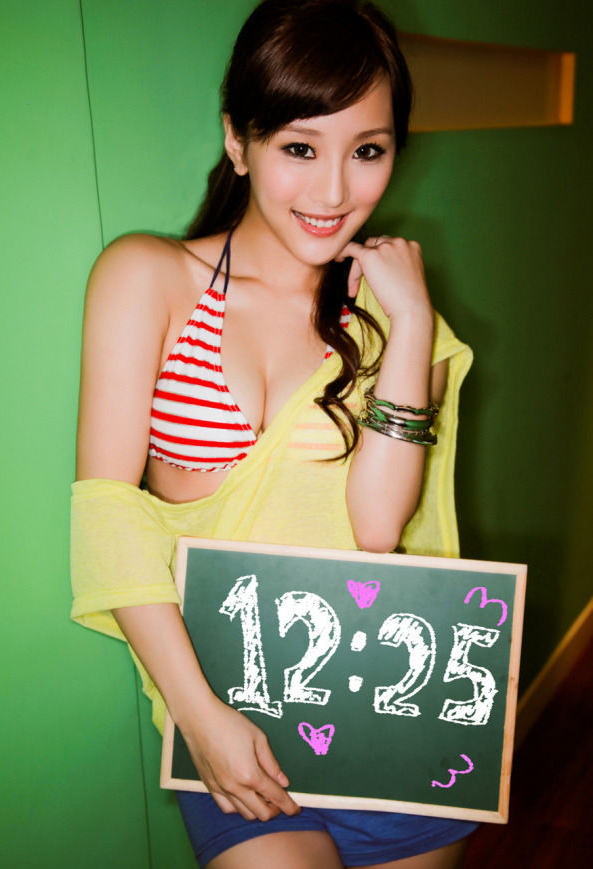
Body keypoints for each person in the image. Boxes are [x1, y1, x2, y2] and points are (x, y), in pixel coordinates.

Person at [71, 1, 475, 866]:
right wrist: (198, 715)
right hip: (231, 721)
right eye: (299, 147)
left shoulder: (396, 315)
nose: (333, 193)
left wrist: (409, 326)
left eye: (367, 150)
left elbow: (377, 528)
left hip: (388, 717)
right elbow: (108, 511)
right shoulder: (146, 277)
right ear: (238, 140)